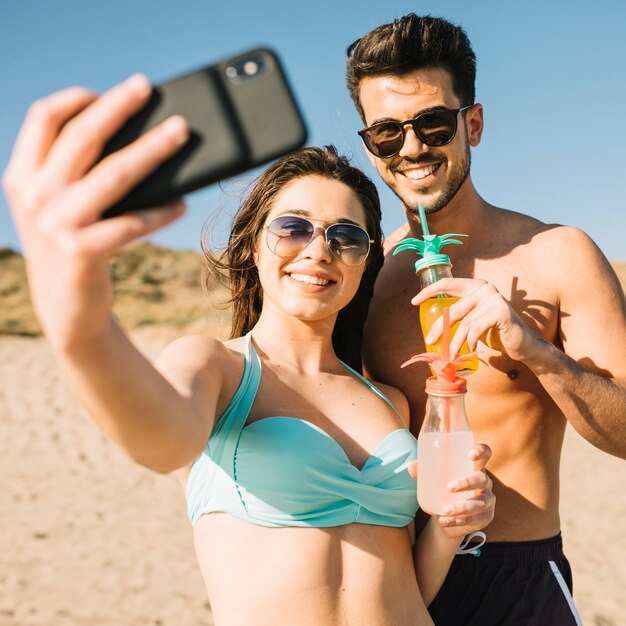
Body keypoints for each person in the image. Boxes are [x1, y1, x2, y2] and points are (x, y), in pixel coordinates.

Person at [2, 76, 495, 626]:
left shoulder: (391, 403)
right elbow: (159, 441)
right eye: (293, 227)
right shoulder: (217, 369)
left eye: (346, 237)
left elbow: (405, 585)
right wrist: (84, 332)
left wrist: (450, 531)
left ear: (364, 264)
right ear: (254, 245)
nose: (318, 250)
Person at [346, 13, 626, 626]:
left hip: (516, 580)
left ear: (472, 123)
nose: (412, 148)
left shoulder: (558, 254)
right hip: (391, 578)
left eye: (433, 124)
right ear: (370, 145)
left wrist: (533, 349)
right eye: (387, 134)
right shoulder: (362, 274)